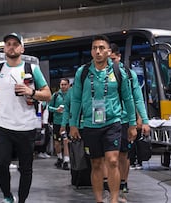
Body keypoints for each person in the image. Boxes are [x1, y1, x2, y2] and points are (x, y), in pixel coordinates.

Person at [0, 32, 51, 203]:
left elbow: (48, 95)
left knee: (25, 168)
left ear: (22, 48)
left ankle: (22, 200)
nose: (11, 46)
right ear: (4, 48)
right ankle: (7, 196)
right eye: (8, 44)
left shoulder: (32, 69)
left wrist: (32, 92)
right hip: (3, 126)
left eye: (15, 43)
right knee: (0, 164)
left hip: (26, 127)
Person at [69, 35, 137, 203]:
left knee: (113, 160)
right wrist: (73, 124)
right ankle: (99, 200)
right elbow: (76, 99)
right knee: (96, 163)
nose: (97, 51)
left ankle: (114, 199)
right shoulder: (83, 72)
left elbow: (128, 99)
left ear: (108, 51)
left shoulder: (118, 71)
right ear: (91, 51)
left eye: (101, 48)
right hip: (90, 124)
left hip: (113, 122)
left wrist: (133, 124)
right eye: (94, 48)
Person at [109, 43, 150, 202]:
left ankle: (123, 182)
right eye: (109, 59)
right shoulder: (101, 74)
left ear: (118, 56)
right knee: (110, 156)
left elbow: (138, 99)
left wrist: (143, 120)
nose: (111, 62)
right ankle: (112, 186)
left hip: (126, 120)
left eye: (113, 58)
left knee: (123, 155)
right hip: (108, 121)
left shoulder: (129, 74)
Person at [48, 78, 71, 170]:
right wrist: (56, 109)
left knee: (66, 141)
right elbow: (49, 107)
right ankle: (59, 158)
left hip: (67, 122)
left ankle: (66, 161)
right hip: (57, 122)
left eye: (65, 84)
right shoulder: (56, 95)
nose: (63, 86)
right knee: (57, 143)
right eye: (62, 84)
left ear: (68, 85)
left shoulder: (71, 95)